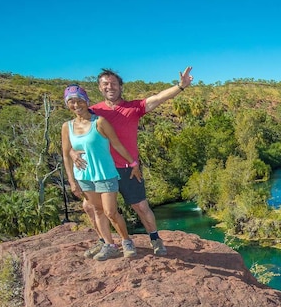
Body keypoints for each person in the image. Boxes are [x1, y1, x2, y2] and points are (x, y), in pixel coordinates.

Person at [75, 66, 193, 257]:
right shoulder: (93, 111)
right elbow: (76, 134)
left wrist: (180, 86)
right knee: (90, 207)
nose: (109, 87)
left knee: (141, 206)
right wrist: (73, 153)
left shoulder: (133, 108)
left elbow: (158, 98)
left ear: (120, 87)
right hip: (101, 170)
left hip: (128, 168)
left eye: (113, 83)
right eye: (105, 84)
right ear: (99, 88)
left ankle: (155, 239)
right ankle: (104, 242)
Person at [61, 85, 138, 261]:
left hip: (105, 173)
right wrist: (72, 181)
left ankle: (126, 241)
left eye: (79, 100)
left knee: (110, 212)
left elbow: (117, 144)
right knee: (97, 210)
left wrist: (132, 163)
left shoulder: (100, 122)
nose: (76, 105)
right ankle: (109, 245)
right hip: (84, 177)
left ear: (86, 101)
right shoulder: (67, 127)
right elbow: (66, 154)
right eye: (71, 102)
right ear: (67, 105)